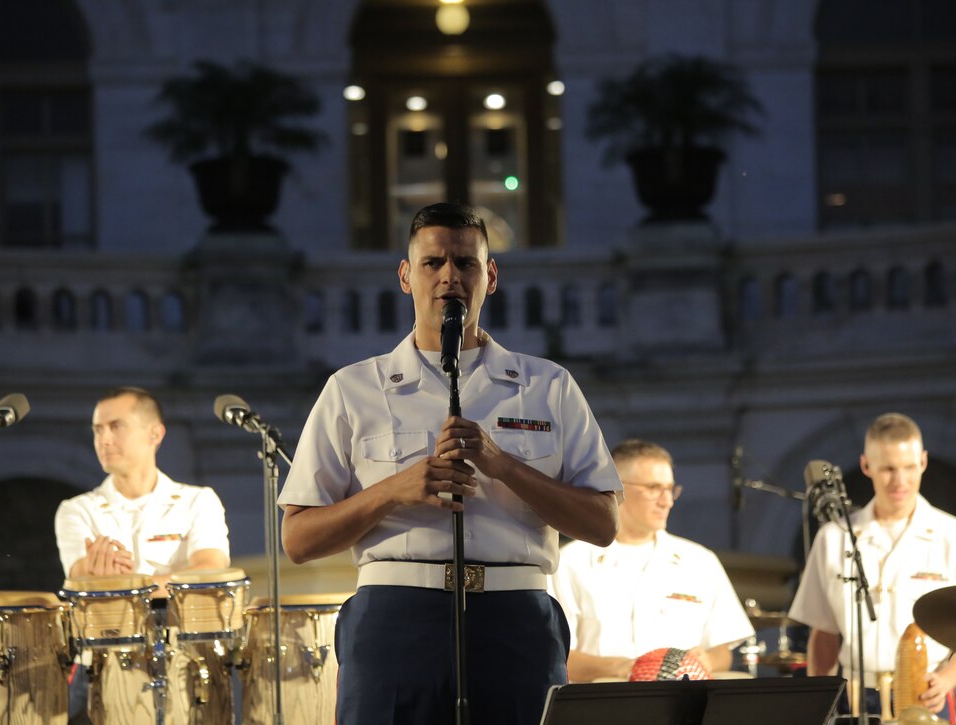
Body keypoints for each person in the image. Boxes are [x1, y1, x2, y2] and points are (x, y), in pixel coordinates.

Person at [278, 202, 622, 725]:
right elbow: (298, 540)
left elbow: (603, 524)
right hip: (396, 619)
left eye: (465, 264)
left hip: (516, 619)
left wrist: (503, 464)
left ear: (491, 276)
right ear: (404, 276)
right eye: (432, 263)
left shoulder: (547, 386)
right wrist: (393, 490)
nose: (449, 278)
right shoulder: (353, 389)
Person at [789, 412, 956, 721]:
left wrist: (947, 679)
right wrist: (820, 700)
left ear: (923, 461)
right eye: (888, 469)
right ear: (866, 465)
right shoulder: (834, 537)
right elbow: (824, 633)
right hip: (854, 695)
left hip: (929, 691)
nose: (900, 481)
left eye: (909, 467)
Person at [549, 439, 755, 682]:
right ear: (617, 489)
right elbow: (555, 655)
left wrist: (707, 660)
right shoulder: (570, 562)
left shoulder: (700, 562)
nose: (666, 501)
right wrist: (626, 668)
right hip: (605, 704)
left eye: (670, 489)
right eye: (654, 488)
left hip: (684, 704)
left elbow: (722, 649)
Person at [55, 386, 231, 594]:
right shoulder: (77, 510)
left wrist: (126, 587)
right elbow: (81, 581)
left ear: (154, 434)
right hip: (111, 626)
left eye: (116, 426)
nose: (104, 440)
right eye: (98, 430)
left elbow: (211, 571)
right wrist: (165, 584)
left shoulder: (198, 501)